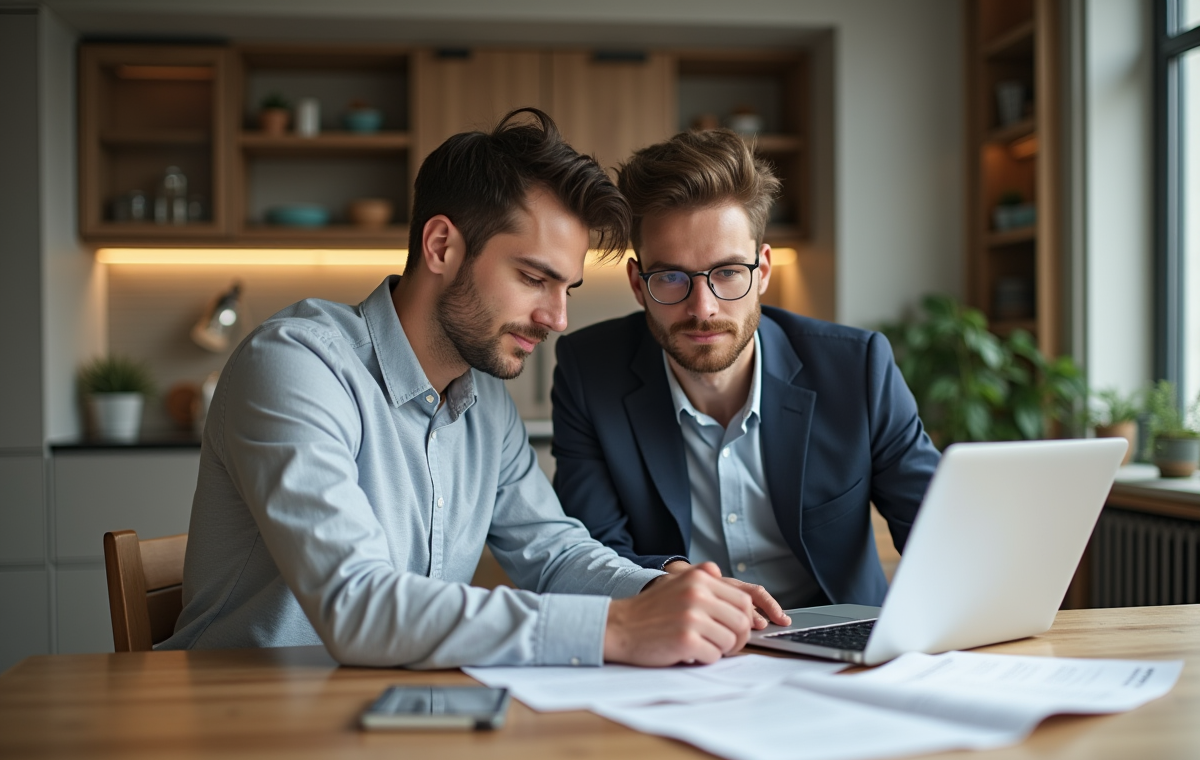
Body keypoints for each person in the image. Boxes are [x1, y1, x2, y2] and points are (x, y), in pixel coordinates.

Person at [162, 109, 782, 669]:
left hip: (396, 717)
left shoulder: (486, 406)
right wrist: (616, 628)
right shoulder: (297, 365)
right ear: (441, 246)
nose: (556, 318)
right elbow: (357, 606)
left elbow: (554, 555)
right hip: (245, 721)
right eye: (533, 278)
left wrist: (664, 592)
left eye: (566, 289)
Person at [551, 128, 941, 611]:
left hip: (839, 651)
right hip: (681, 648)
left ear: (764, 272)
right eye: (671, 276)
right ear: (637, 283)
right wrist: (675, 585)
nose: (704, 308)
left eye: (728, 273)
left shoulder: (857, 368)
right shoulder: (588, 372)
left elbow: (938, 534)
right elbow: (589, 550)